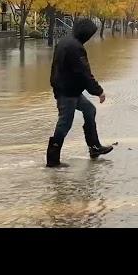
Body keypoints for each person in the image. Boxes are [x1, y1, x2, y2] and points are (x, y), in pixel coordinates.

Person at [47, 18, 113, 167]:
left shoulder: (65, 42)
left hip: (69, 89)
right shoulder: (76, 48)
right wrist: (99, 91)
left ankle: (94, 147)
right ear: (86, 33)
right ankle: (52, 160)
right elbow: (84, 73)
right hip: (67, 92)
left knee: (90, 110)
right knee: (64, 124)